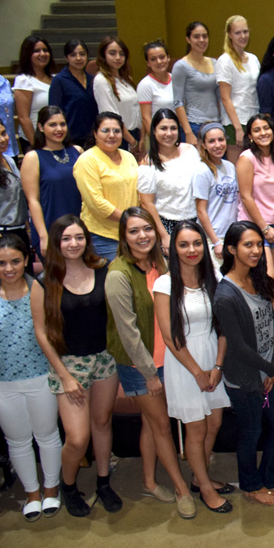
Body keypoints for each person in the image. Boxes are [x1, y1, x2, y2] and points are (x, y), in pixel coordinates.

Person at [105, 207, 195, 519]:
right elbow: (128, 334)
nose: (142, 235)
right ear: (123, 236)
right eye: (133, 231)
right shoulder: (118, 274)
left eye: (147, 228)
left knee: (150, 422)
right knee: (160, 425)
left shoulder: (160, 264)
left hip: (167, 358)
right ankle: (182, 489)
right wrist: (149, 374)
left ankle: (148, 480)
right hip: (140, 366)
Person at [31, 215, 120, 517]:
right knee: (78, 437)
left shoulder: (103, 270)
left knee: (103, 424)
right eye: (66, 238)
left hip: (104, 359)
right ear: (56, 243)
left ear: (87, 240)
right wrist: (65, 376)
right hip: (68, 365)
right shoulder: (45, 281)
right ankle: (67, 486)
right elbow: (41, 333)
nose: (73, 244)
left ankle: (104, 482)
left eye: (79, 237)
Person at [154, 221, 233, 514]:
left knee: (214, 423)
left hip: (213, 358)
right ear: (174, 249)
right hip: (186, 364)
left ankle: (200, 479)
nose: (191, 250)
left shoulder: (212, 277)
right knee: (196, 429)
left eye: (197, 243)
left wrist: (217, 366)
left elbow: (223, 327)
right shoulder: (165, 284)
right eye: (184, 245)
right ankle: (206, 488)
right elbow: (170, 336)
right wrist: (198, 372)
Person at [214, 221, 274, 506]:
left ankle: (269, 478)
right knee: (251, 433)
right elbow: (237, 345)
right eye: (248, 245)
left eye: (259, 244)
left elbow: (270, 326)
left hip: (267, 374)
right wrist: (269, 368)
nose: (256, 250)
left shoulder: (258, 279)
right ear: (232, 249)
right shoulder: (225, 295)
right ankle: (250, 485)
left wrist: (273, 363)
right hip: (246, 379)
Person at [0, 236, 62, 521]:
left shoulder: (41, 290)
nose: (8, 268)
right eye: (1, 263)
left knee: (47, 435)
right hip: (0, 383)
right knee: (17, 440)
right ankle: (32, 493)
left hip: (41, 377)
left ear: (26, 260)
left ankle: (51, 488)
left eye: (15, 261)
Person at [72, 112, 139, 261]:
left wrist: (135, 224)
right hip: (102, 236)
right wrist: (131, 220)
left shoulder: (128, 156)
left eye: (116, 131)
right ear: (95, 134)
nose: (111, 135)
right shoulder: (87, 160)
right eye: (105, 130)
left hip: (131, 232)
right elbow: (96, 203)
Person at [20, 106, 83, 257]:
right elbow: (33, 200)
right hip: (50, 228)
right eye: (52, 125)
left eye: (62, 124)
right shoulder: (33, 157)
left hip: (78, 229)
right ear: (40, 127)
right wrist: (43, 236)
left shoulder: (78, 151)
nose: (59, 129)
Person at [236, 113, 274, 279]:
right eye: (257, 130)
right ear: (250, 136)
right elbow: (246, 197)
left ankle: (271, 306)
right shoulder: (247, 158)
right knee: (262, 276)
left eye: (266, 128)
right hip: (254, 225)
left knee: (273, 279)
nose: (263, 133)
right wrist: (265, 228)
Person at [137, 109, 201, 253]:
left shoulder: (190, 151)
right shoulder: (148, 164)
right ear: (154, 131)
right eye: (163, 128)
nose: (169, 133)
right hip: (167, 223)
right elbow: (147, 203)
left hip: (196, 220)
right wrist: (164, 235)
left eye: (173, 128)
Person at [0, 111, 30, 262]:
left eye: (3, 133)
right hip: (0, 235)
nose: (2, 139)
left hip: (19, 231)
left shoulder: (9, 160)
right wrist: (0, 243)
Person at [193, 122, 239, 266]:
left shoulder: (230, 166)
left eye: (221, 139)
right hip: (213, 237)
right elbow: (201, 210)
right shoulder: (202, 171)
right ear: (204, 145)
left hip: (231, 235)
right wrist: (215, 242)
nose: (217, 145)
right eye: (211, 141)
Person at [172, 21, 220, 145]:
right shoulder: (181, 66)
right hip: (194, 124)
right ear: (188, 39)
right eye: (196, 36)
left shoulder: (214, 63)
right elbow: (178, 102)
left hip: (215, 124)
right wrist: (188, 132)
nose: (201, 40)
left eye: (204, 36)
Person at [216, 15, 260, 146]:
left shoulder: (253, 59)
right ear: (229, 34)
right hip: (235, 122)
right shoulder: (225, 61)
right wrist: (238, 128)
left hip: (253, 118)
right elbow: (225, 98)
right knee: (236, 165)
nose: (243, 36)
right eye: (237, 33)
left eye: (245, 31)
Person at [93, 36, 140, 152]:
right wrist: (132, 141)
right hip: (119, 137)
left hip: (135, 133)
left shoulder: (125, 79)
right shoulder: (102, 80)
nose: (118, 58)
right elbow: (111, 117)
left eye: (121, 54)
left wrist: (140, 138)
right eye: (112, 53)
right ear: (103, 55)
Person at [49, 39, 98, 145]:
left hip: (93, 137)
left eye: (82, 54)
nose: (78, 58)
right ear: (66, 58)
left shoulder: (92, 79)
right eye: (73, 55)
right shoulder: (59, 81)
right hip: (70, 139)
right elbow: (54, 112)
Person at [13, 34, 56, 147]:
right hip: (35, 139)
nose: (42, 54)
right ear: (28, 54)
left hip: (55, 136)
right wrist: (36, 145)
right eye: (36, 51)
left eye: (45, 50)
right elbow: (23, 117)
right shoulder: (24, 80)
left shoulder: (55, 78)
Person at [137, 39, 174, 144]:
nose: (159, 62)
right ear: (148, 63)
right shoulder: (145, 85)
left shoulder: (176, 79)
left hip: (175, 134)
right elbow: (146, 117)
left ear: (168, 58)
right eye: (153, 59)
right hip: (158, 137)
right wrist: (157, 141)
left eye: (162, 57)